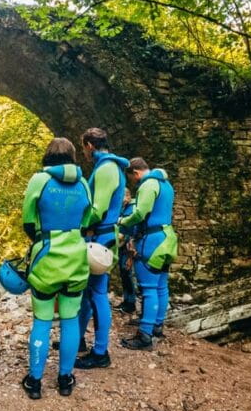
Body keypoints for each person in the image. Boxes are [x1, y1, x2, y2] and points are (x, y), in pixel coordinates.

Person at [21, 137, 93, 399]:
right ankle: (65, 378)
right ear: (73, 157)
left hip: (47, 257)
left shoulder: (39, 180)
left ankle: (35, 382)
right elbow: (88, 219)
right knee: (70, 319)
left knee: (42, 320)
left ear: (48, 156)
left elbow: (28, 221)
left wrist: (43, 239)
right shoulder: (83, 182)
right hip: (76, 257)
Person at [75, 128, 129, 370]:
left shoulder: (106, 168)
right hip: (100, 235)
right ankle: (78, 341)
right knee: (87, 293)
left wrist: (79, 226)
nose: (84, 153)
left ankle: (100, 352)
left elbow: (98, 208)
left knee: (97, 294)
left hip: (100, 237)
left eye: (83, 148)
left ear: (89, 145)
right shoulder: (107, 166)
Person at [118, 157, 178, 351]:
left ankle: (145, 335)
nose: (134, 183)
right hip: (167, 238)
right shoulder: (166, 184)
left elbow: (140, 213)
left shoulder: (148, 184)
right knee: (161, 285)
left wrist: (121, 222)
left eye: (132, 179)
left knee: (148, 288)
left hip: (152, 241)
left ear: (135, 173)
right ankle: (157, 326)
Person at [116, 187, 139, 315]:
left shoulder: (133, 208)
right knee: (124, 272)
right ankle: (127, 300)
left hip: (129, 245)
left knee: (128, 272)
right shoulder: (122, 207)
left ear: (128, 196)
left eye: (122, 197)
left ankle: (131, 304)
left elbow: (133, 227)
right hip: (121, 244)